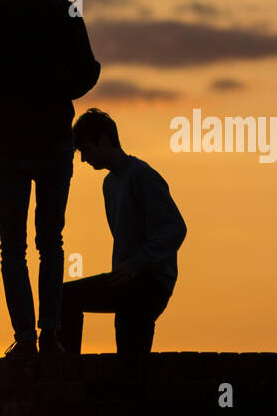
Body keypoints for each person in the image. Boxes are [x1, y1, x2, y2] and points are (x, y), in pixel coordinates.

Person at [0, 0, 100, 358]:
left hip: (6, 145)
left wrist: (2, 97)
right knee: (51, 241)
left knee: (12, 246)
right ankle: (51, 335)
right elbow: (88, 72)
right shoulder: (66, 14)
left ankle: (24, 338)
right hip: (54, 140)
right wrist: (55, 91)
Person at [62, 108, 187, 355]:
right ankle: (66, 373)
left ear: (105, 140)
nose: (84, 159)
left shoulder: (142, 176)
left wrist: (138, 263)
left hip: (150, 283)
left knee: (68, 298)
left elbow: (174, 228)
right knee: (65, 298)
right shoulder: (109, 184)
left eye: (86, 149)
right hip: (126, 282)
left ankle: (67, 372)